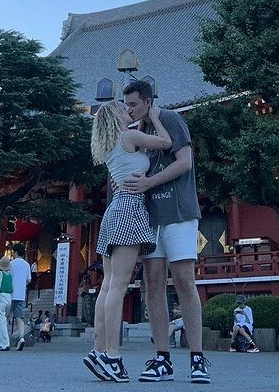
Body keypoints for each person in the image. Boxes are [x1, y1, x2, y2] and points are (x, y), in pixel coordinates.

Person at [122, 79, 211, 384]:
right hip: (150, 216)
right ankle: (162, 357)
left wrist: (149, 182)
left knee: (184, 280)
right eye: (126, 105)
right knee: (153, 283)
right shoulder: (138, 130)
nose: (129, 109)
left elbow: (185, 163)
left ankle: (197, 357)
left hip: (178, 212)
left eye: (133, 104)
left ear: (148, 101)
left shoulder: (172, 119)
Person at [83, 98, 172, 383]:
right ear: (116, 116)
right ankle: (113, 356)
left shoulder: (110, 144)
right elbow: (166, 142)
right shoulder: (129, 136)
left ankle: (99, 350)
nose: (128, 110)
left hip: (114, 209)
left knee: (108, 285)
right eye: (123, 108)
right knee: (118, 286)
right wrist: (154, 117)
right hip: (131, 207)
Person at [9, 243, 32, 351]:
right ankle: (21, 337)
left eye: (13, 252)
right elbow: (29, 280)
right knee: (19, 317)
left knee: (6, 316)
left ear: (16, 252)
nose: (12, 254)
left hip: (10, 293)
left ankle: (4, 339)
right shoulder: (27, 265)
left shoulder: (11, 264)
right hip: (21, 294)